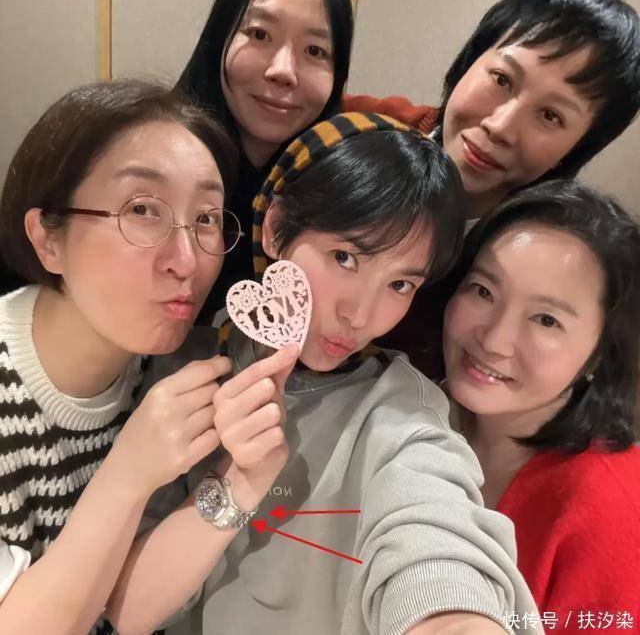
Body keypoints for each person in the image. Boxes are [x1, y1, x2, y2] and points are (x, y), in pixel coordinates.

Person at [108, 113, 541, 635]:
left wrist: (453, 617)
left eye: (400, 285)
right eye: (345, 257)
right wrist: (238, 482)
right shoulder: (185, 361)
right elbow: (128, 611)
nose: (360, 315)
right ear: (276, 229)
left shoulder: (400, 415)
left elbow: (437, 534)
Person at [0, 79, 244, 634]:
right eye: (143, 209)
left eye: (207, 218)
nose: (187, 261)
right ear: (48, 238)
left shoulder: (183, 365)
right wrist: (130, 471)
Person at [344, 0, 640, 371]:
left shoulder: (541, 257)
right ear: (470, 61)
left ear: (578, 147)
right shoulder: (356, 131)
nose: (501, 126)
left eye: (550, 115)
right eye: (502, 79)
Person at [441, 180, 640, 631]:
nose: (494, 340)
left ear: (600, 356)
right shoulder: (411, 411)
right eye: (483, 291)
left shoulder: (614, 515)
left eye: (546, 320)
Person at [178, 0, 353, 321]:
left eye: (315, 51)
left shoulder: (341, 192)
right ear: (219, 38)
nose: (283, 71)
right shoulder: (159, 158)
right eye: (260, 34)